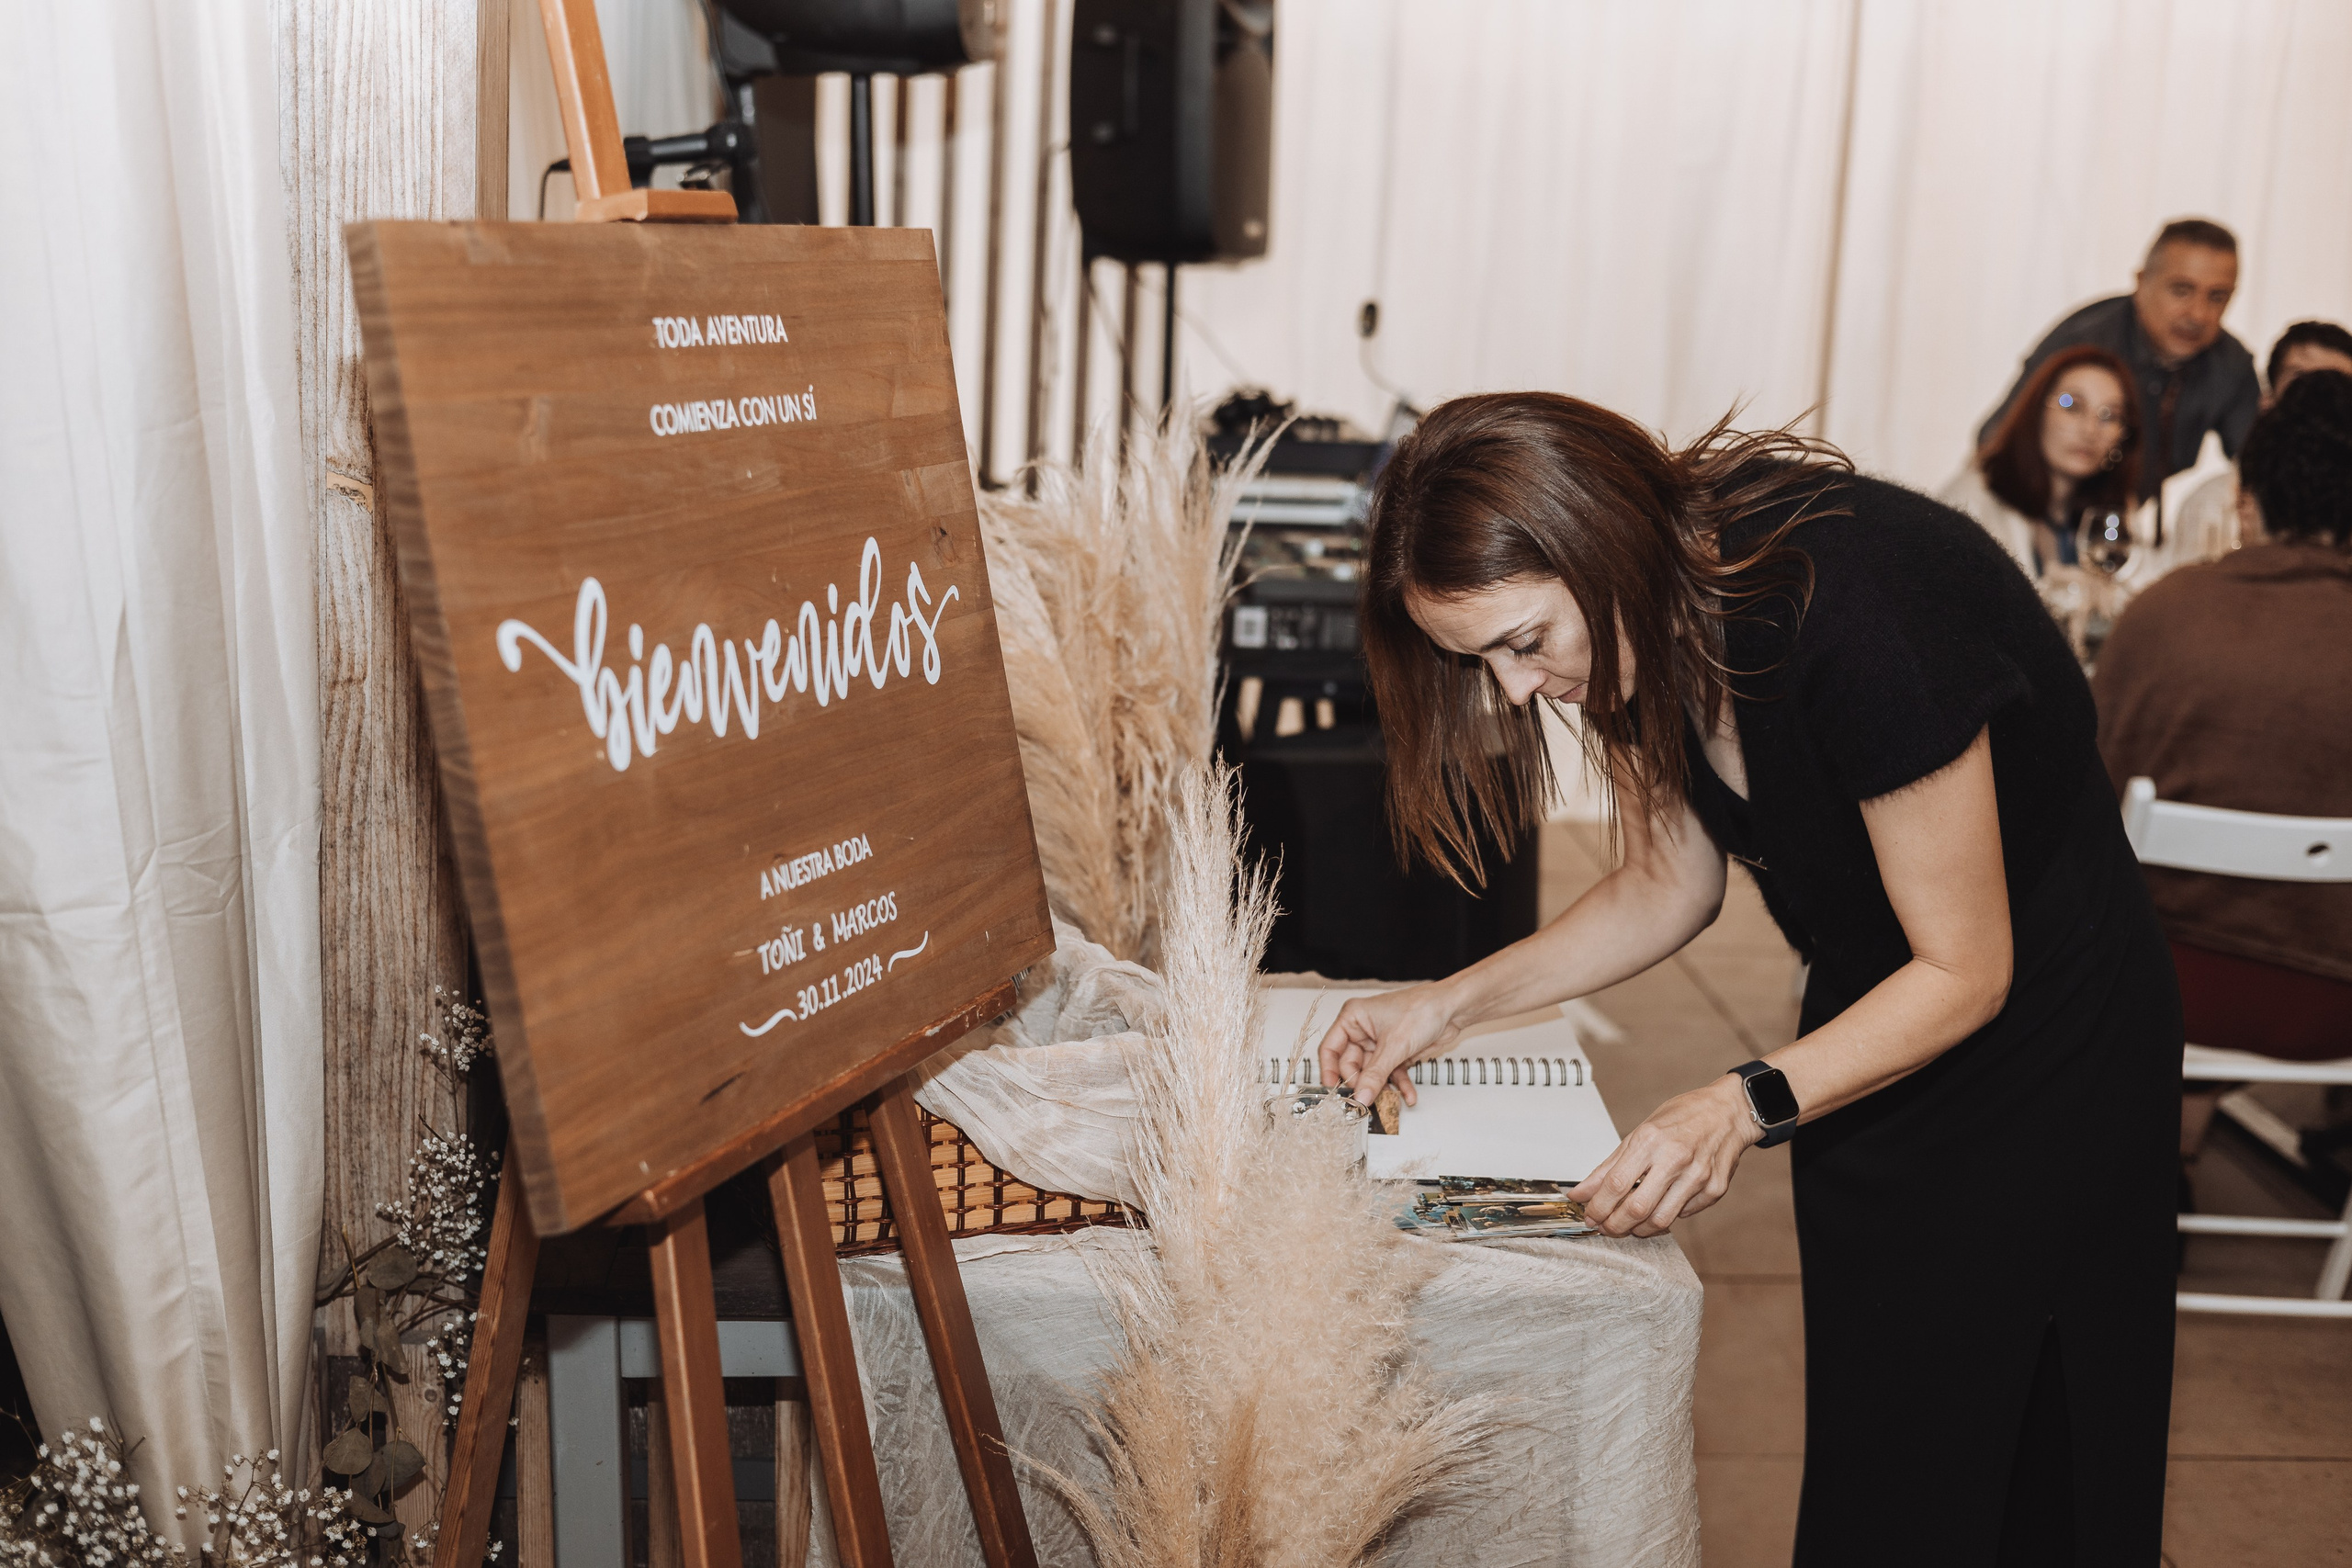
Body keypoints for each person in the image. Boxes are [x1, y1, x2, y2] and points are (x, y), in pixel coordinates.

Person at [1319, 395, 2178, 1563]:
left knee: (2030, 1445)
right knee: (1890, 1446)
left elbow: (1969, 970)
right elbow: (1665, 883)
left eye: (1524, 642)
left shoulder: (1859, 611)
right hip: (1874, 1016)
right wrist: (1444, 1002)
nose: (1516, 691)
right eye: (1481, 663)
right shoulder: (1641, 625)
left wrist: (1740, 1103)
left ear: (1599, 540)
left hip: (2049, 1033)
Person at [2094, 370, 2352, 1156]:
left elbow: (2088, 822)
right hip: (2336, 1006)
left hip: (2161, 990)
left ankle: (2153, 1166)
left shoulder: (2164, 614)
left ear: (2247, 500)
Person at [1979, 218, 2259, 503]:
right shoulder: (2081, 343)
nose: (2198, 315)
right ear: (2141, 283)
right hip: (2043, 511)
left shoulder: (2231, 365)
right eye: (2181, 290)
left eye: (2217, 297)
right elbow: (1995, 443)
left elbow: (2260, 467)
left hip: (2124, 522)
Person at [1942, 343, 2143, 579]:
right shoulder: (1971, 502)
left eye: (2110, 416)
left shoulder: (2120, 513)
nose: (2090, 430)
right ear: (2036, 412)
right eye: (2072, 405)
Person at [2173, 320, 2352, 560]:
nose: (2313, 399)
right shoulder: (2211, 506)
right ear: (2267, 401)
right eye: (2299, 382)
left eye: (2332, 387)